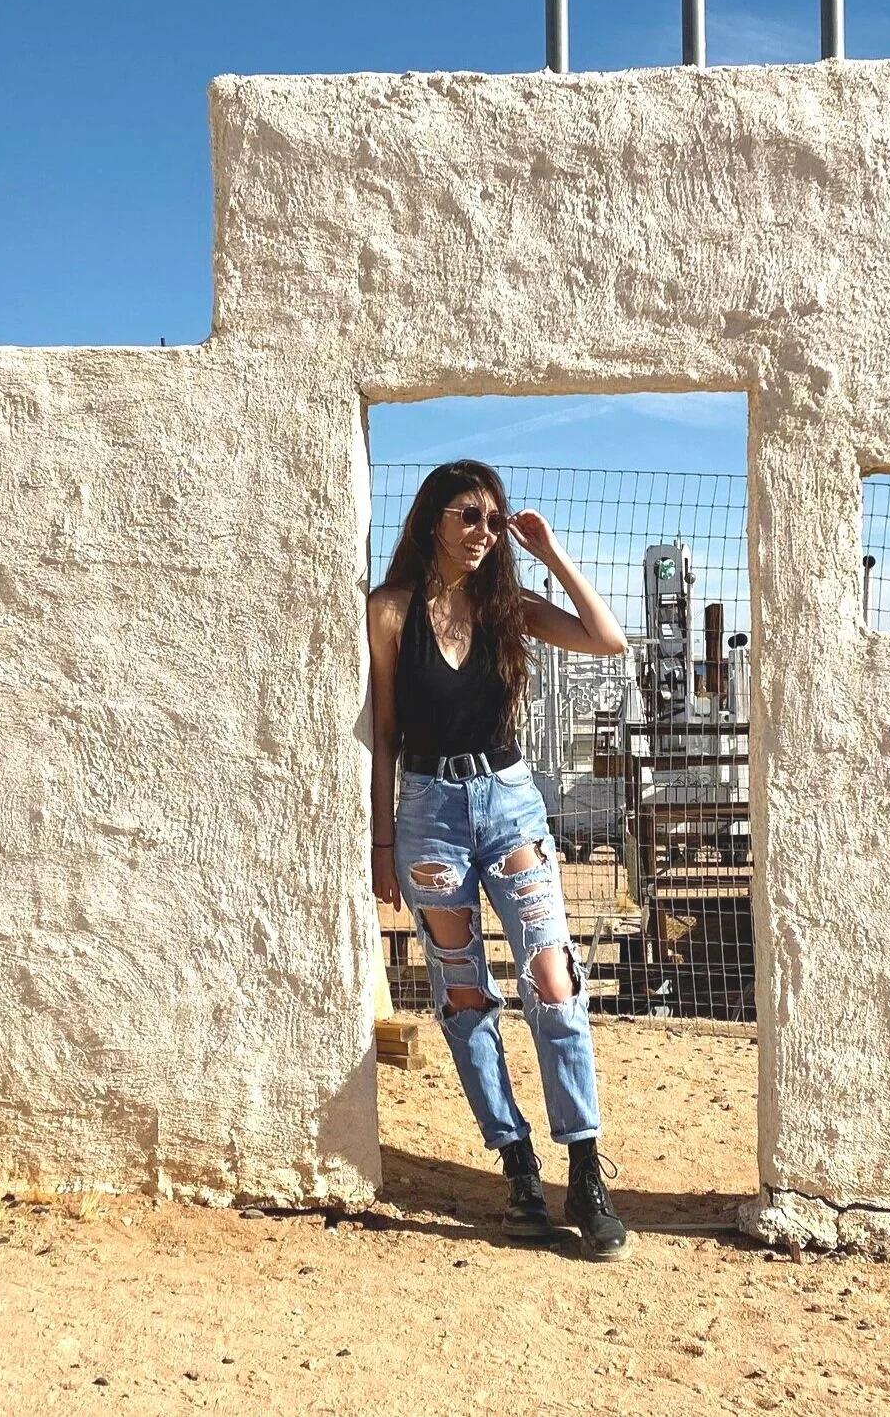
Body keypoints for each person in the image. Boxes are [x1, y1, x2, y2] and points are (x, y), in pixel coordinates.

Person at [366, 460, 634, 1259]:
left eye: (493, 519)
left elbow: (607, 639)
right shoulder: (390, 611)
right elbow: (386, 735)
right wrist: (382, 842)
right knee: (463, 994)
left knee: (553, 978)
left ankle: (584, 1171)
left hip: (510, 804)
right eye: (468, 515)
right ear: (431, 521)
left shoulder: (507, 607)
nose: (484, 532)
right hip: (429, 815)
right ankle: (517, 1166)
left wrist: (549, 553)